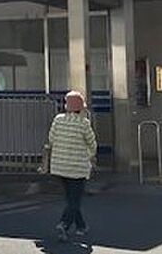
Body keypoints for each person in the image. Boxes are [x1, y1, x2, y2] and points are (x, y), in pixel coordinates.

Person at [43, 91, 97, 242]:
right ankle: (64, 224)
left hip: (59, 166)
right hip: (77, 168)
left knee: (71, 198)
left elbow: (51, 139)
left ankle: (81, 226)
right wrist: (90, 155)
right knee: (75, 200)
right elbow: (92, 144)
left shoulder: (58, 120)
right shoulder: (83, 123)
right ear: (81, 108)